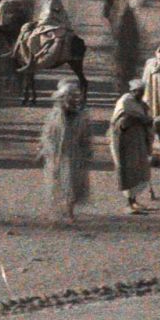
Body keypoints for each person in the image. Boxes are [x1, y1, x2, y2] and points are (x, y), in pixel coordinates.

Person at [39, 78, 90, 223]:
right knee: (57, 182)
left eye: (75, 97)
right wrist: (47, 151)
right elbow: (48, 136)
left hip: (74, 154)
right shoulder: (54, 116)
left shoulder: (81, 116)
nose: (73, 100)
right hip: (57, 155)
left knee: (72, 183)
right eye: (70, 97)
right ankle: (57, 211)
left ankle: (69, 211)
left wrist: (86, 152)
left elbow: (85, 137)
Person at [109, 79, 155, 212]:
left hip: (138, 140)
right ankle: (129, 203)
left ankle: (134, 200)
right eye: (139, 92)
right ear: (133, 91)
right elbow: (120, 123)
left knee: (138, 168)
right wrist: (138, 119)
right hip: (126, 142)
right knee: (128, 170)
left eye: (143, 92)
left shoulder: (139, 103)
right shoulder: (125, 102)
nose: (141, 94)